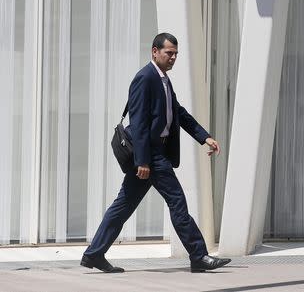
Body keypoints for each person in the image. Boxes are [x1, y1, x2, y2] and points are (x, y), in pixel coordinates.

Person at [81, 33, 231, 273]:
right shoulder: (145, 78)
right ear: (154, 51)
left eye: (175, 54)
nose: (173, 58)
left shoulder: (163, 80)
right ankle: (199, 255)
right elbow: (138, 122)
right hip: (150, 155)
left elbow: (178, 113)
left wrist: (205, 137)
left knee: (123, 206)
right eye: (168, 53)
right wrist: (142, 160)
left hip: (154, 153)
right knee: (177, 202)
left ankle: (94, 254)